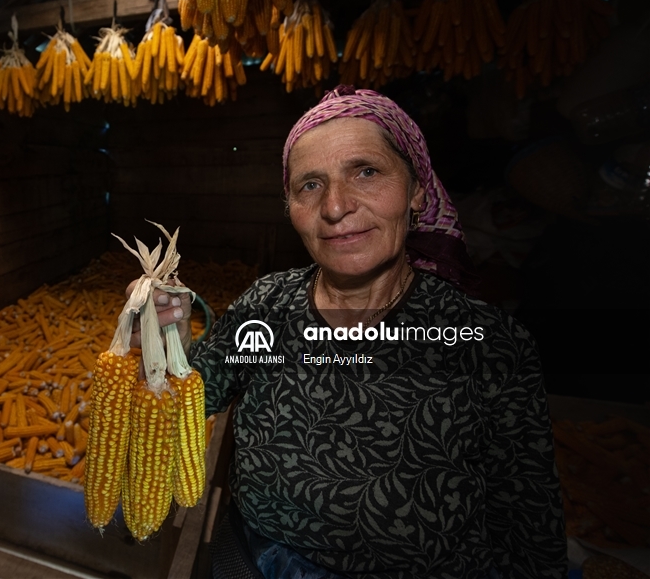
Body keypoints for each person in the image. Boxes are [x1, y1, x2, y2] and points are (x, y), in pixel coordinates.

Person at [132, 86, 566, 579]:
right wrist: (157, 332)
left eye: (366, 171)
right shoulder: (267, 306)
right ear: (289, 205)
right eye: (310, 185)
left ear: (417, 189)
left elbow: (531, 530)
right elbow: (186, 392)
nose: (336, 207)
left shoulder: (488, 343)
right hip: (249, 563)